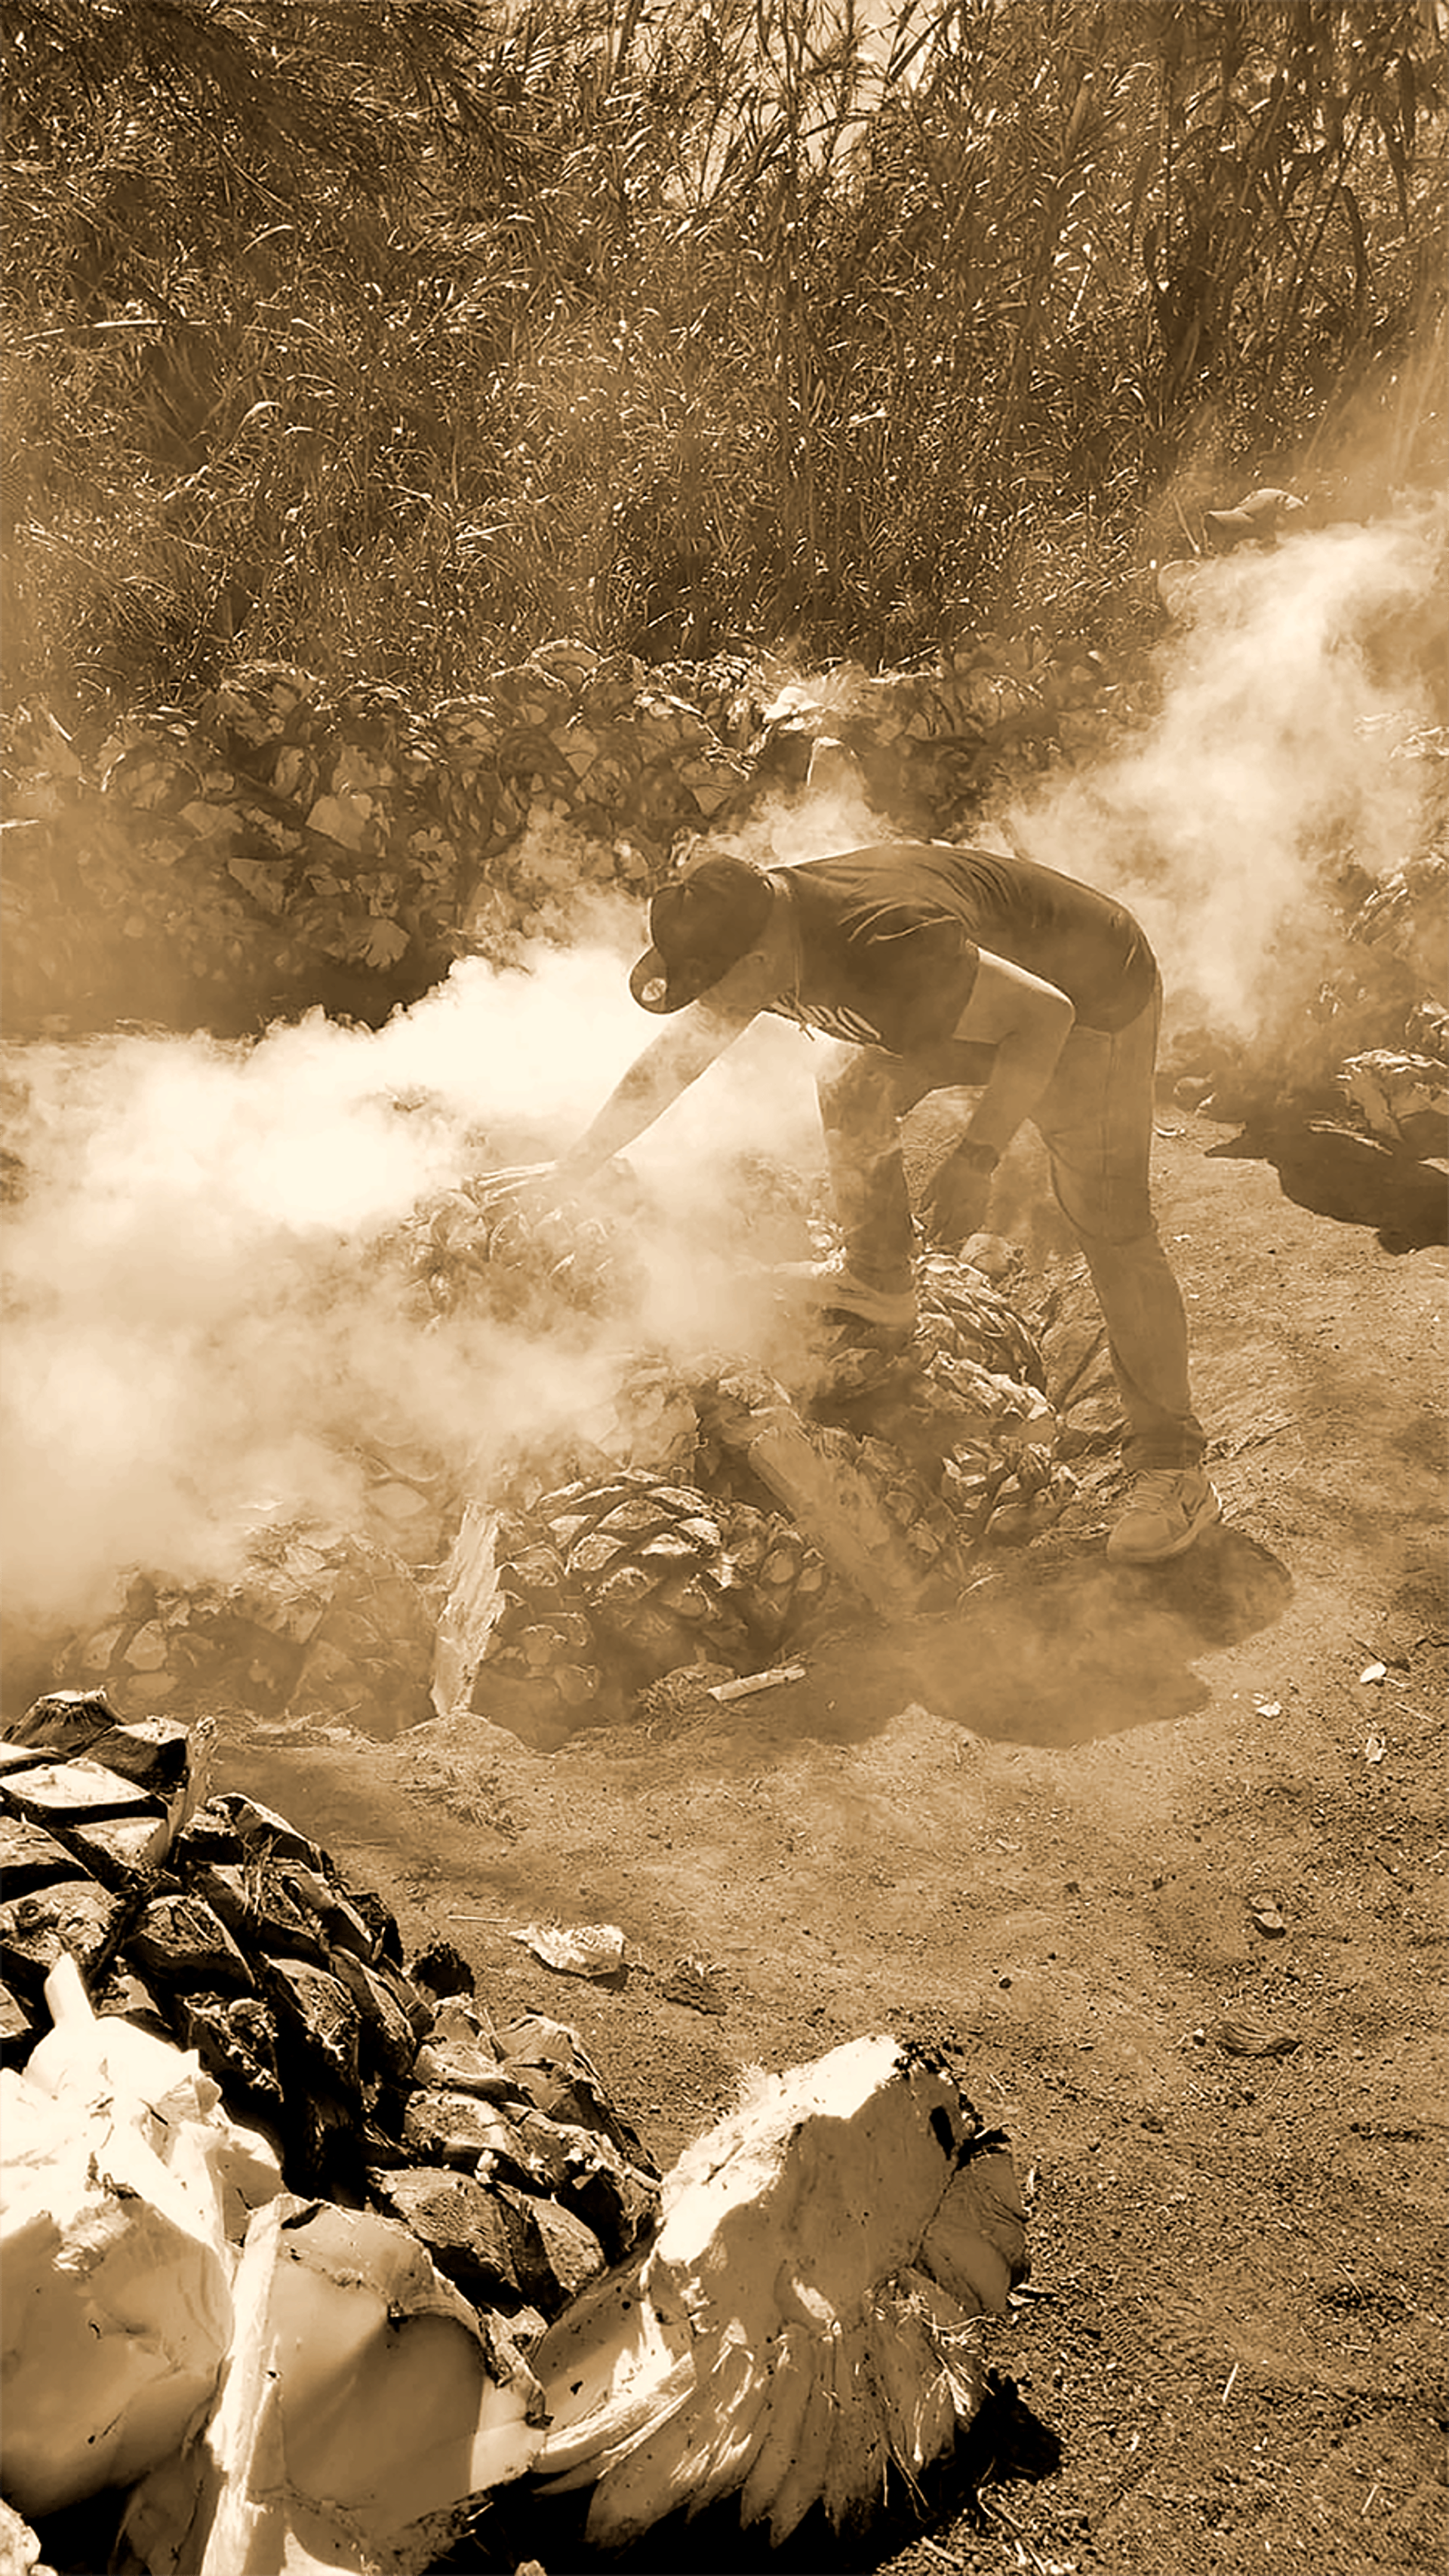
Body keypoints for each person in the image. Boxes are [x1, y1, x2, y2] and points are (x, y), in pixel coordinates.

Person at [541, 839, 1220, 1566]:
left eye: (713, 985)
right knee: (851, 1083)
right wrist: (575, 1166)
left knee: (1107, 1218)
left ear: (760, 964)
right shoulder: (765, 930)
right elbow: (675, 1062)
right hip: (977, 1007)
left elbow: (1044, 1017)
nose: (709, 1006)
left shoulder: (882, 945)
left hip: (1088, 1007)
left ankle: (1174, 1469)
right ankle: (880, 1279)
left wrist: (976, 1157)